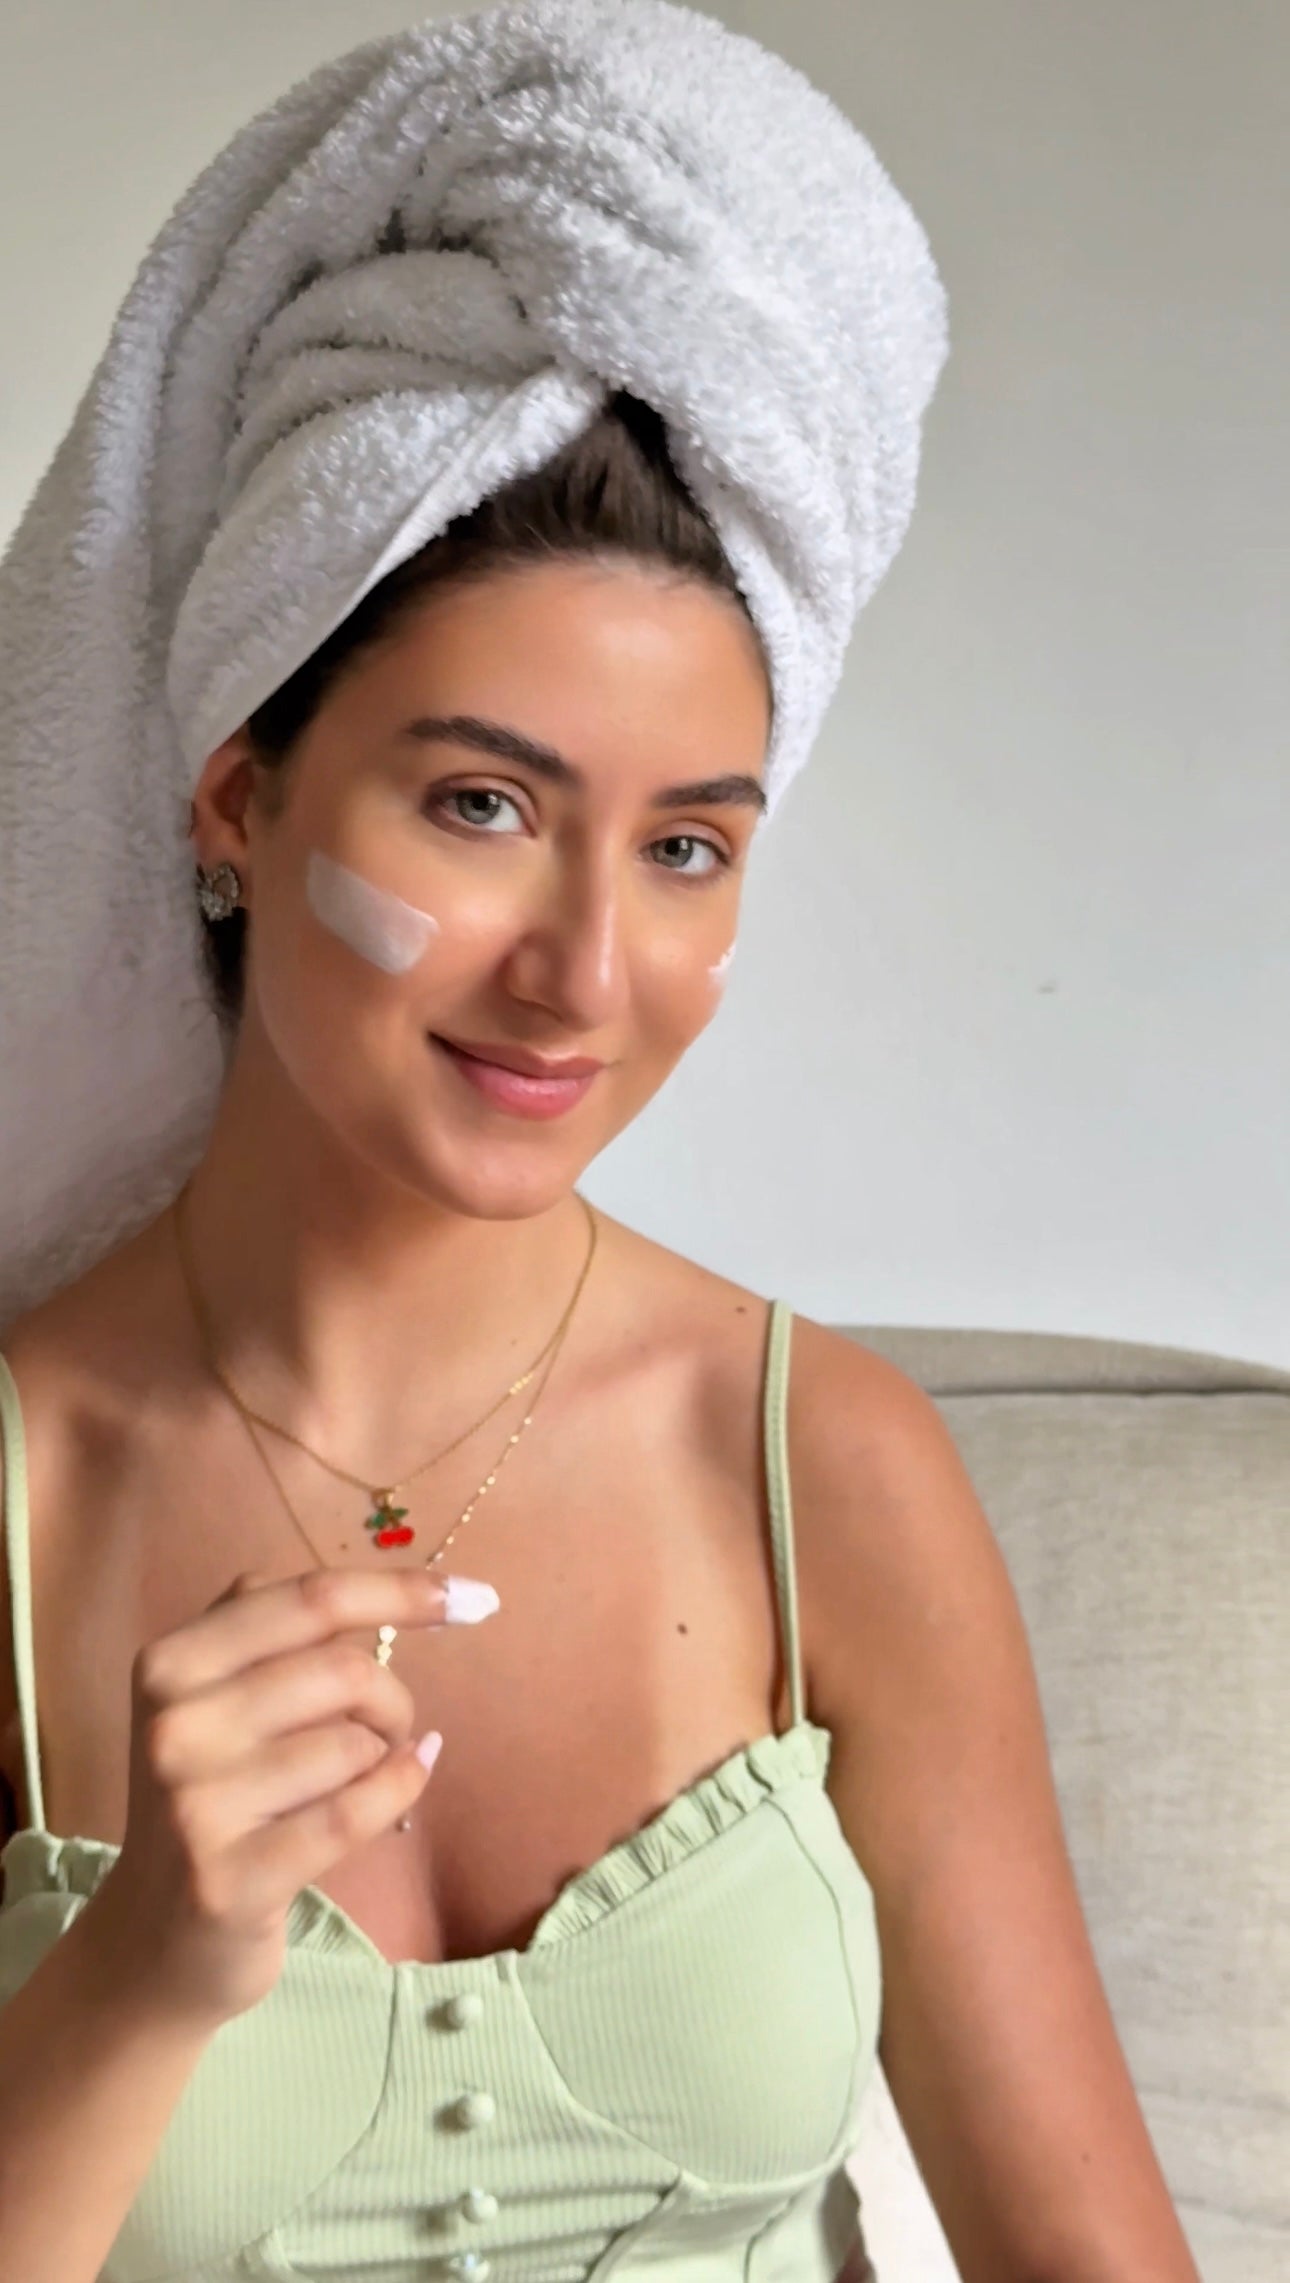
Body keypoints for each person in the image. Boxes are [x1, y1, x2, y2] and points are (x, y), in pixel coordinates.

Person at [0, 8, 1200, 2283]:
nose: (583, 967)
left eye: (686, 847)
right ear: (238, 796)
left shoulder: (818, 1460)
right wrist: (148, 1959)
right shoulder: (19, 1486)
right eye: (481, 805)